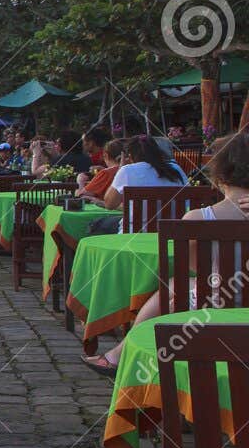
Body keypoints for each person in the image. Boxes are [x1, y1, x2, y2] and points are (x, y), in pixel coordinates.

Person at [84, 133, 249, 372]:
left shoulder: (198, 219)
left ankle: (123, 354)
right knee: (174, 285)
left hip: (214, 303)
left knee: (175, 288)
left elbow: (194, 267)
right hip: (236, 297)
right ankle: (120, 353)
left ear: (220, 174)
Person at [101, 134, 185, 210]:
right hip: (171, 226)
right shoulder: (175, 168)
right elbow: (187, 201)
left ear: (130, 156)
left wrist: (121, 168)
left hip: (138, 226)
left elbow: (109, 204)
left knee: (97, 224)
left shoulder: (127, 170)